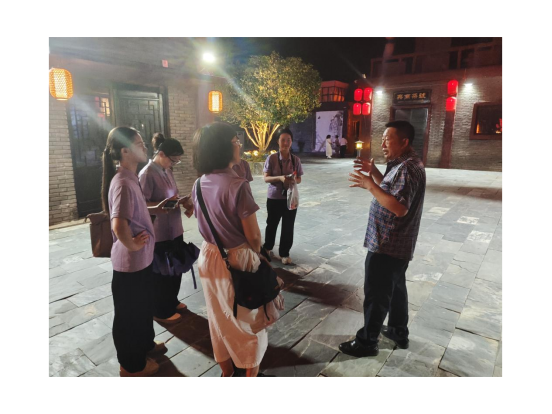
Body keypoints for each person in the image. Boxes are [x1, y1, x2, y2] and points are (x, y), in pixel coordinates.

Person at [191, 122, 276, 378]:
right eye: (236, 141)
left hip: (208, 255)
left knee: (218, 316)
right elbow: (254, 236)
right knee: (250, 321)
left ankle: (226, 371)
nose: (239, 145)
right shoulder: (238, 185)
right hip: (237, 258)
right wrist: (258, 254)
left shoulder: (199, 183)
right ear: (223, 147)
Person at [339, 121, 426, 358]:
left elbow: (399, 207)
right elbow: (391, 188)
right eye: (383, 139)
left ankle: (367, 342)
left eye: (388, 139)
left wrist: (369, 185)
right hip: (398, 243)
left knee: (376, 294)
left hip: (388, 243)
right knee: (396, 289)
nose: (383, 143)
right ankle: (398, 331)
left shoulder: (407, 168)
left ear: (404, 141)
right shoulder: (406, 164)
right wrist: (375, 173)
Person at [101, 126, 172, 377]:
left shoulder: (130, 177)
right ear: (124, 151)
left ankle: (144, 345)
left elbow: (134, 213)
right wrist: (132, 245)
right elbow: (118, 224)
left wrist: (155, 209)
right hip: (130, 263)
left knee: (142, 307)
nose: (145, 147)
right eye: (140, 144)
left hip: (140, 260)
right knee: (129, 315)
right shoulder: (122, 181)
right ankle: (131, 365)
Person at [139, 133, 194, 326]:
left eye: (177, 161)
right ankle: (160, 310)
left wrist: (182, 201)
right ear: (161, 154)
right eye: (173, 160)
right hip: (159, 231)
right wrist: (160, 205)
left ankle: (172, 300)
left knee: (175, 268)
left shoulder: (167, 170)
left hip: (174, 228)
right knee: (161, 272)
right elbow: (141, 204)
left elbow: (172, 195)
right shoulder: (147, 173)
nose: (174, 164)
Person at [262, 128, 304, 265]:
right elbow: (266, 178)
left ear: (291, 142)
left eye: (288, 140)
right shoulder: (272, 158)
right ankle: (267, 248)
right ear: (278, 141)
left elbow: (299, 179)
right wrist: (280, 178)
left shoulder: (296, 160)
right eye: (283, 140)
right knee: (271, 224)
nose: (286, 143)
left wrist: (293, 179)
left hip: (290, 198)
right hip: (274, 197)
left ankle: (284, 253)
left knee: (288, 226)